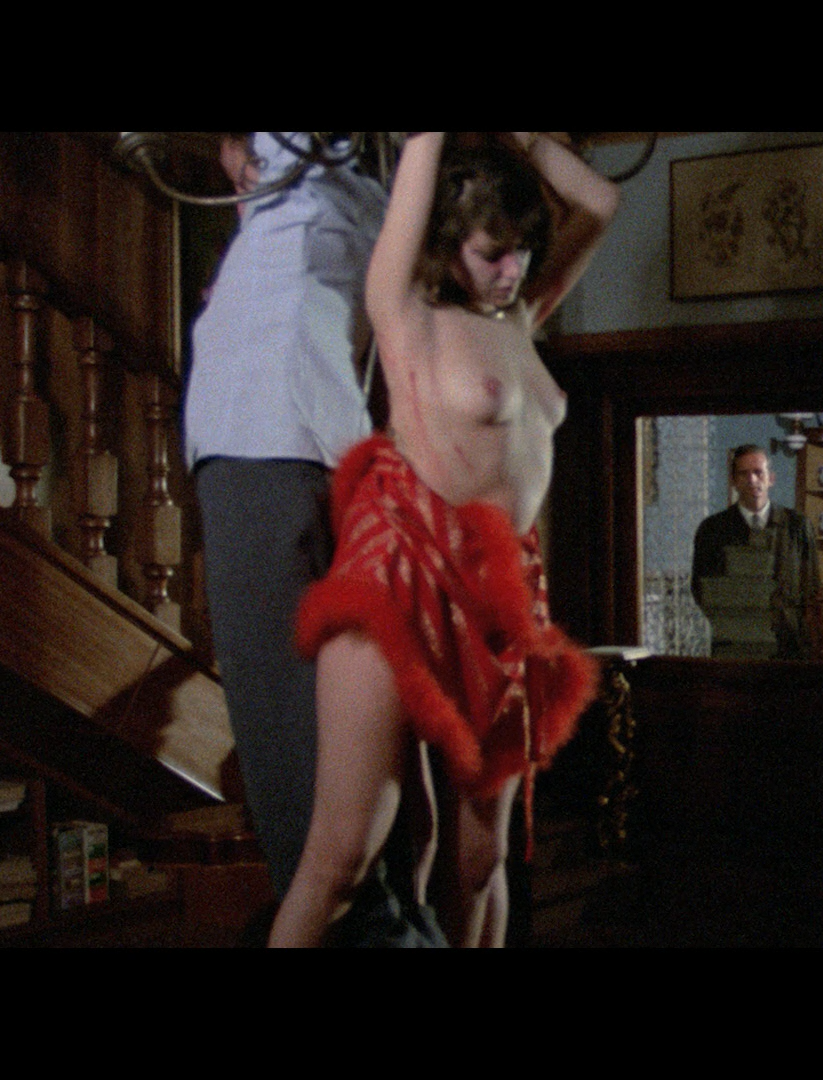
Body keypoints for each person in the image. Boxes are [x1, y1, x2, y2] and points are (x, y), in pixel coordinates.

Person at [270, 133, 616, 947]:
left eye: (524, 250)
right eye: (494, 252)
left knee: (481, 861)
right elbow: (424, 144)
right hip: (403, 570)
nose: (514, 268)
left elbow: (601, 203)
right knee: (340, 857)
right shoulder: (406, 312)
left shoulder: (522, 315)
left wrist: (522, 140)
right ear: (446, 245)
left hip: (501, 596)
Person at [186, 133, 385, 905]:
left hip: (302, 443)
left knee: (331, 754)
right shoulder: (315, 180)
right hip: (276, 436)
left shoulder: (359, 184)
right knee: (303, 757)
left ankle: (355, 920)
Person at [691, 445, 817, 660]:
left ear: (771, 478)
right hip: (734, 647)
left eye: (758, 472)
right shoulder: (712, 529)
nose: (752, 480)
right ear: (733, 480)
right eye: (744, 473)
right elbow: (701, 590)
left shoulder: (797, 526)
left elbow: (811, 585)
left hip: (787, 647)